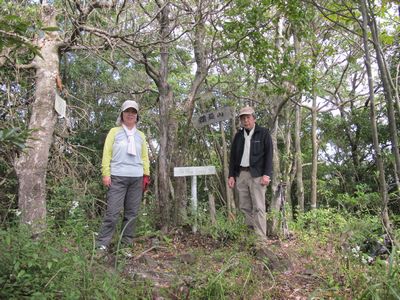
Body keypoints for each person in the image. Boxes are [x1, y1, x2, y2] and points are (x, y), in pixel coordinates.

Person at [96, 100, 150, 255]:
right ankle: (102, 244)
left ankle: (125, 245)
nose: (130, 114)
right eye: (127, 111)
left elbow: (145, 157)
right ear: (122, 114)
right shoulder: (114, 132)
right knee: (112, 213)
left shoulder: (141, 135)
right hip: (117, 177)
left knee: (131, 214)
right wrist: (106, 173)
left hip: (136, 178)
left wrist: (146, 175)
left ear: (137, 115)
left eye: (133, 112)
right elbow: (107, 154)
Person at [228, 106, 273, 242]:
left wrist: (267, 174)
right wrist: (231, 175)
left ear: (254, 118)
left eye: (248, 117)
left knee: (259, 206)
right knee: (244, 207)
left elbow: (269, 155)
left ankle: (260, 239)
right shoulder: (239, 136)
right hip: (241, 174)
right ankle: (248, 237)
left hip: (258, 175)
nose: (245, 121)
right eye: (243, 118)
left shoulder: (263, 133)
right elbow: (233, 157)